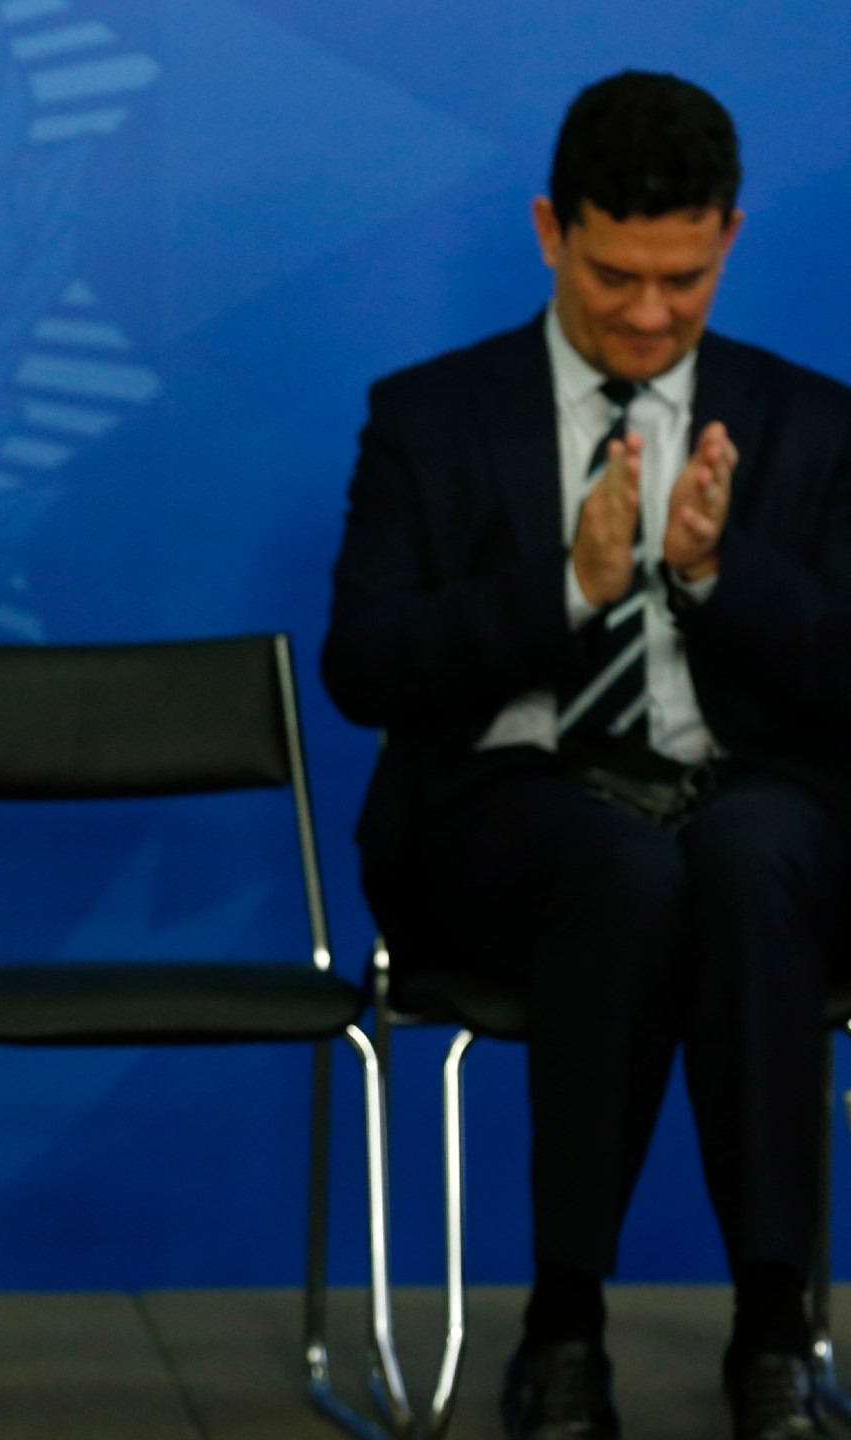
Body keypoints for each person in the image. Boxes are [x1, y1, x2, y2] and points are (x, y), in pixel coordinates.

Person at [324, 71, 851, 1440]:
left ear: (729, 236)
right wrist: (570, 588)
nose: (649, 314)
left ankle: (777, 1333)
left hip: (754, 797)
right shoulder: (431, 415)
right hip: (508, 809)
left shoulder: (812, 423)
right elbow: (363, 667)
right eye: (617, 273)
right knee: (617, 871)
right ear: (553, 228)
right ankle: (564, 1329)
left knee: (749, 861)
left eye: (684, 279)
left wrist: (720, 569)